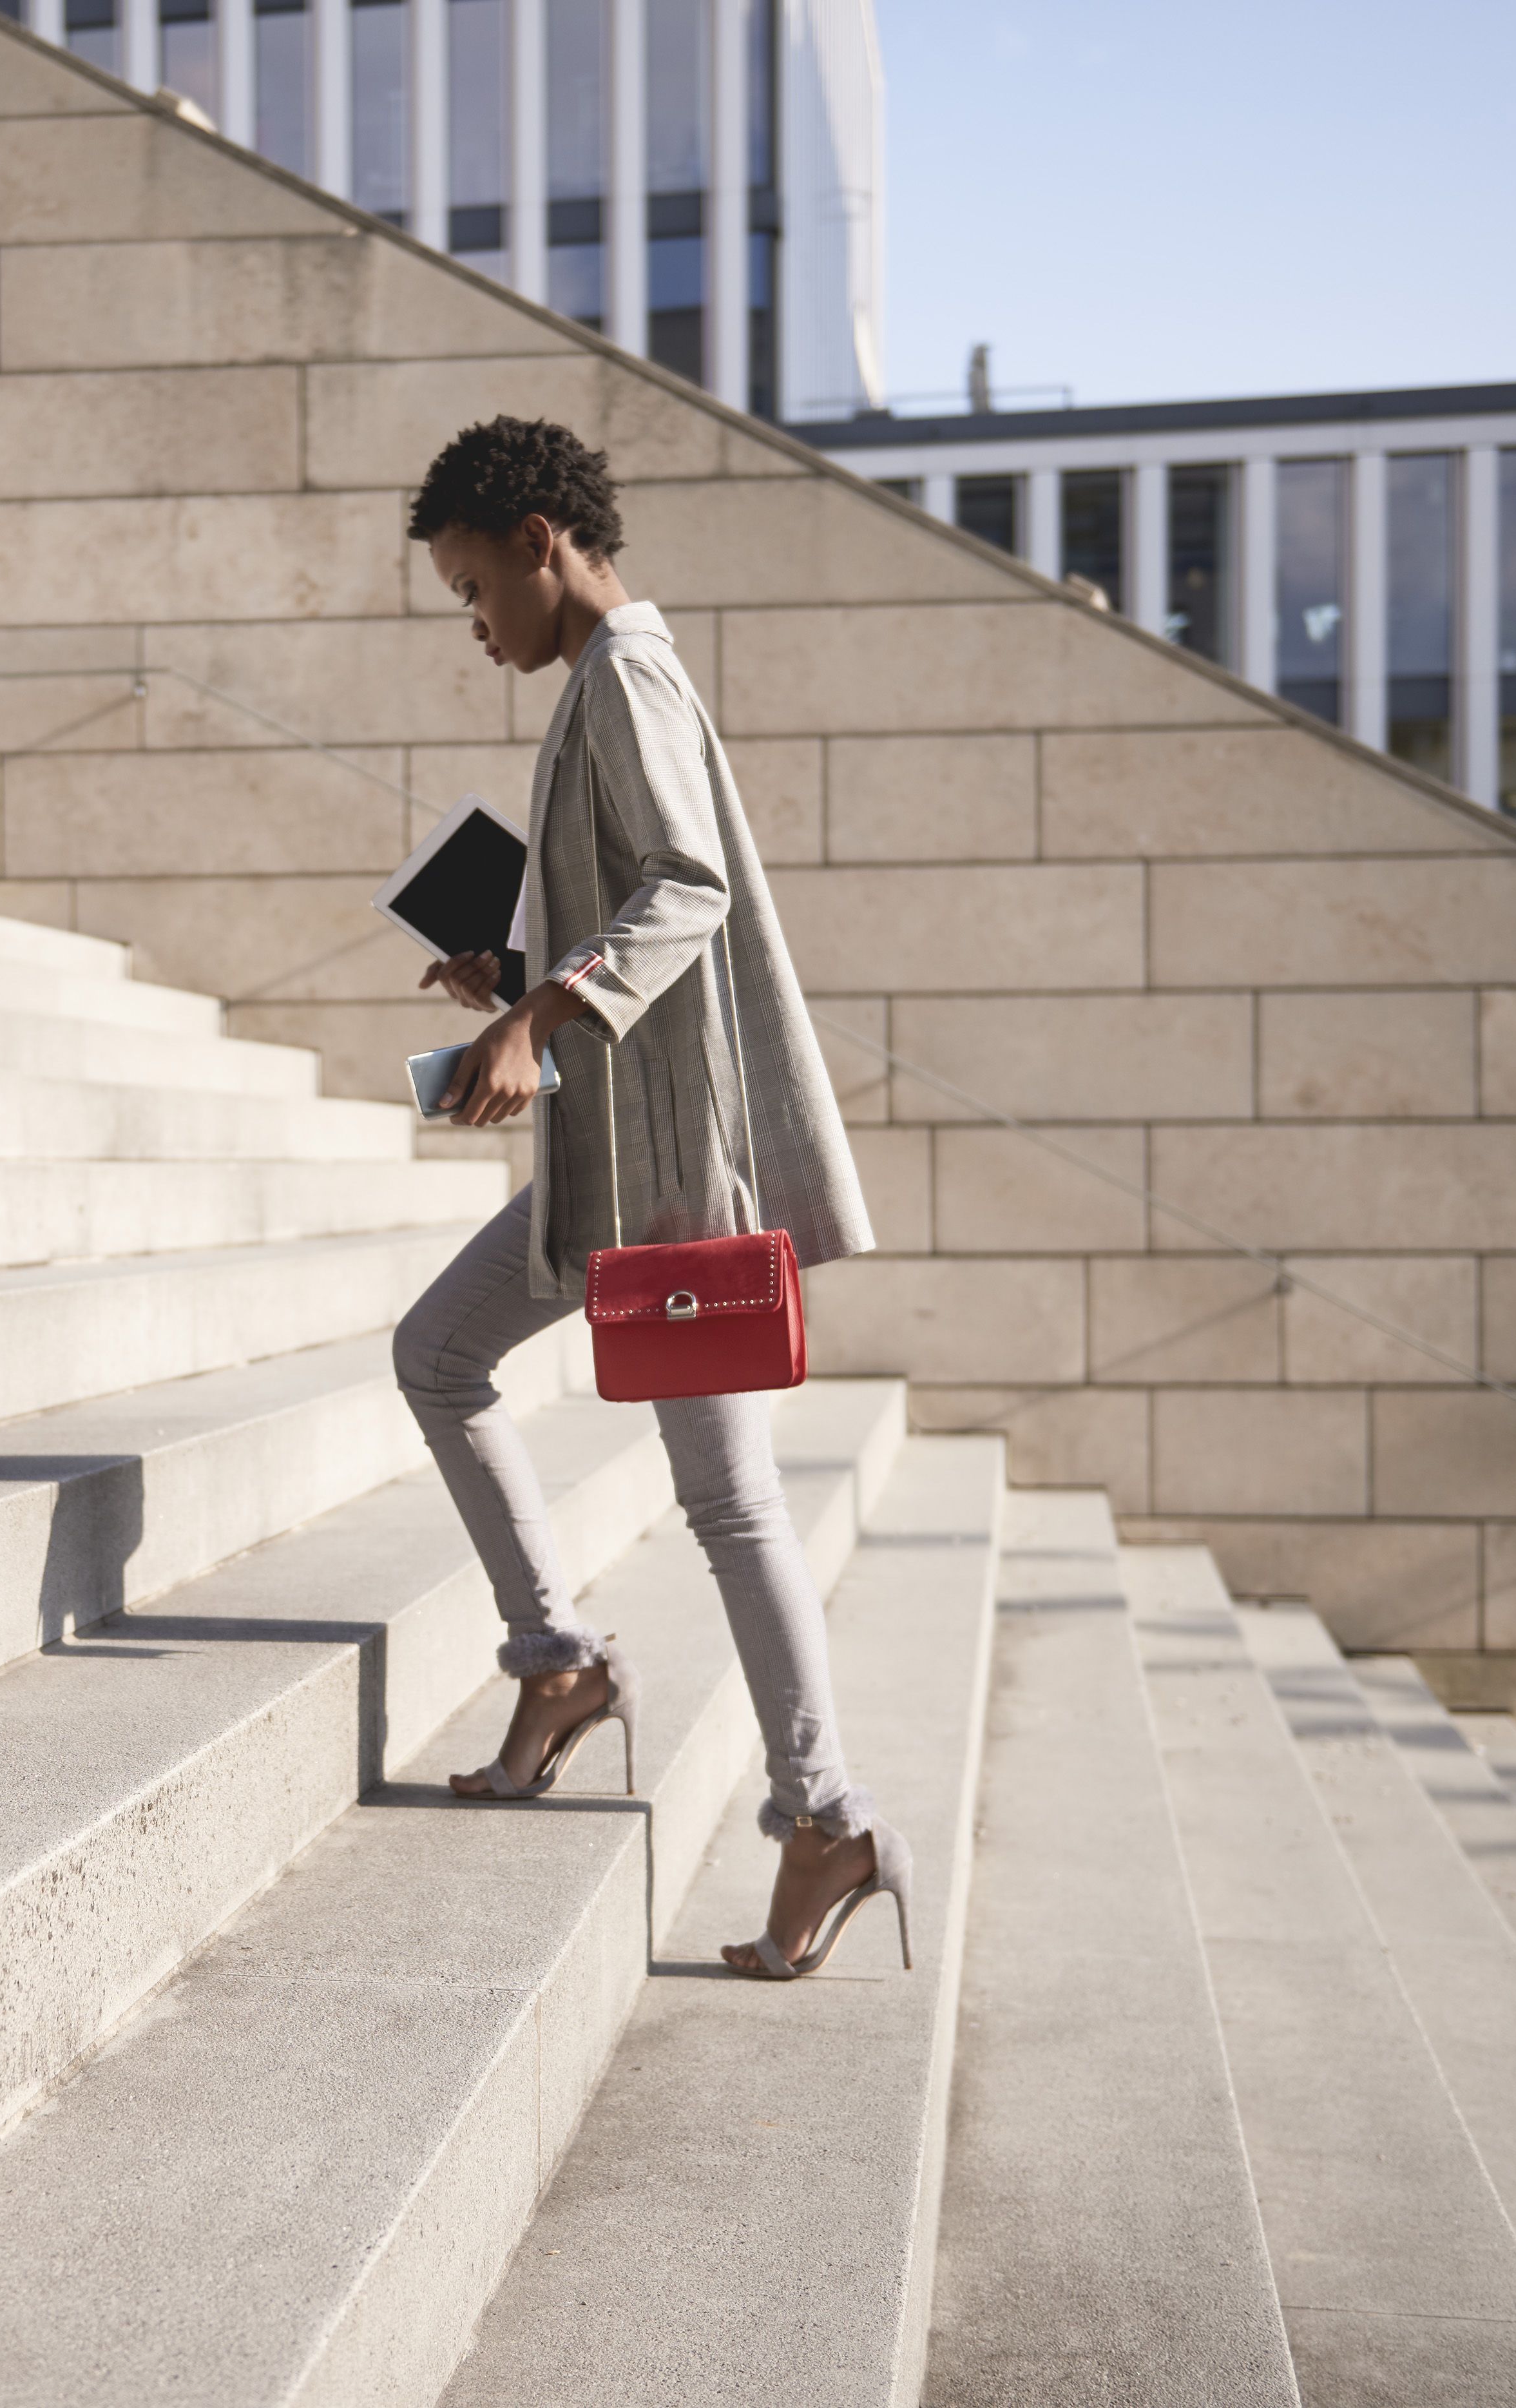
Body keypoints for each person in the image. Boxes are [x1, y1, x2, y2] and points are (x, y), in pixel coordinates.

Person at [393, 414, 903, 1982]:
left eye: (479, 589)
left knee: (726, 1500)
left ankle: (818, 1812)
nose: (478, 629)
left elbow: (690, 885)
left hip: (663, 1188)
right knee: (445, 1359)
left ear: (543, 539)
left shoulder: (625, 675)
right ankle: (561, 1666)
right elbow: (642, 903)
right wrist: (514, 977)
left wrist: (536, 1020)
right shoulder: (607, 682)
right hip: (618, 1174)